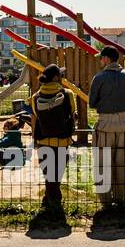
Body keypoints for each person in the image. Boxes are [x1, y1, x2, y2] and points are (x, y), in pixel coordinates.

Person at [88, 46, 125, 216]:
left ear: (107, 59)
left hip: (105, 125)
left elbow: (92, 103)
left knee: (103, 165)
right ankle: (122, 199)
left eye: (101, 58)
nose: (100, 61)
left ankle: (106, 203)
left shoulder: (99, 77)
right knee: (123, 166)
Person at [30, 65, 76, 213]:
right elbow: (72, 111)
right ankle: (54, 201)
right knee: (58, 172)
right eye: (61, 75)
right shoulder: (68, 94)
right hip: (62, 140)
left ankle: (49, 200)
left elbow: (37, 115)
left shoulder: (35, 97)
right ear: (56, 77)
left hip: (43, 140)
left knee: (48, 173)